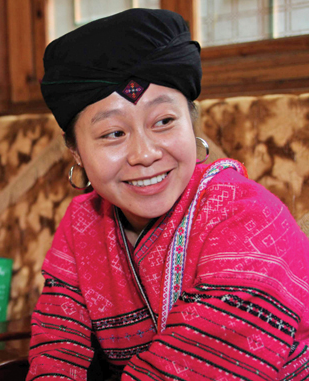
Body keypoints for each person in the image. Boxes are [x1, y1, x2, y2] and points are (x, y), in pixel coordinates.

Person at [28, 8, 309, 380]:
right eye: (113, 133)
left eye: (164, 122)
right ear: (77, 152)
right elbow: (57, 348)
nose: (145, 154)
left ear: (191, 122)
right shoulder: (82, 222)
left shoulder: (251, 219)